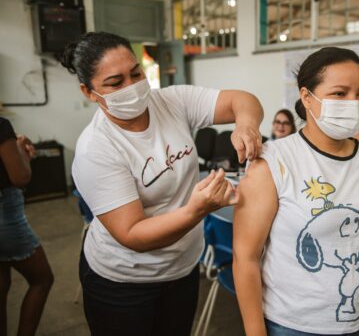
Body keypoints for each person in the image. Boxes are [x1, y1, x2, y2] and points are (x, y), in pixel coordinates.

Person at [60, 32, 263, 336]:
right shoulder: (96, 149)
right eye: (115, 83)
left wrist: (246, 124)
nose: (132, 87)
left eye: (136, 73)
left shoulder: (170, 101)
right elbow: (133, 235)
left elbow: (242, 100)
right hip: (124, 281)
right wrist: (197, 210)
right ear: (89, 92)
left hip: (182, 267)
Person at [233, 47, 359, 336]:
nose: (354, 103)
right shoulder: (273, 162)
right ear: (307, 97)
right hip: (294, 326)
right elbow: (245, 258)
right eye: (340, 93)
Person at [0, 118, 54, 336]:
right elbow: (20, 177)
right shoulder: (1, 125)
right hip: (4, 216)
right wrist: (24, 153)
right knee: (42, 279)